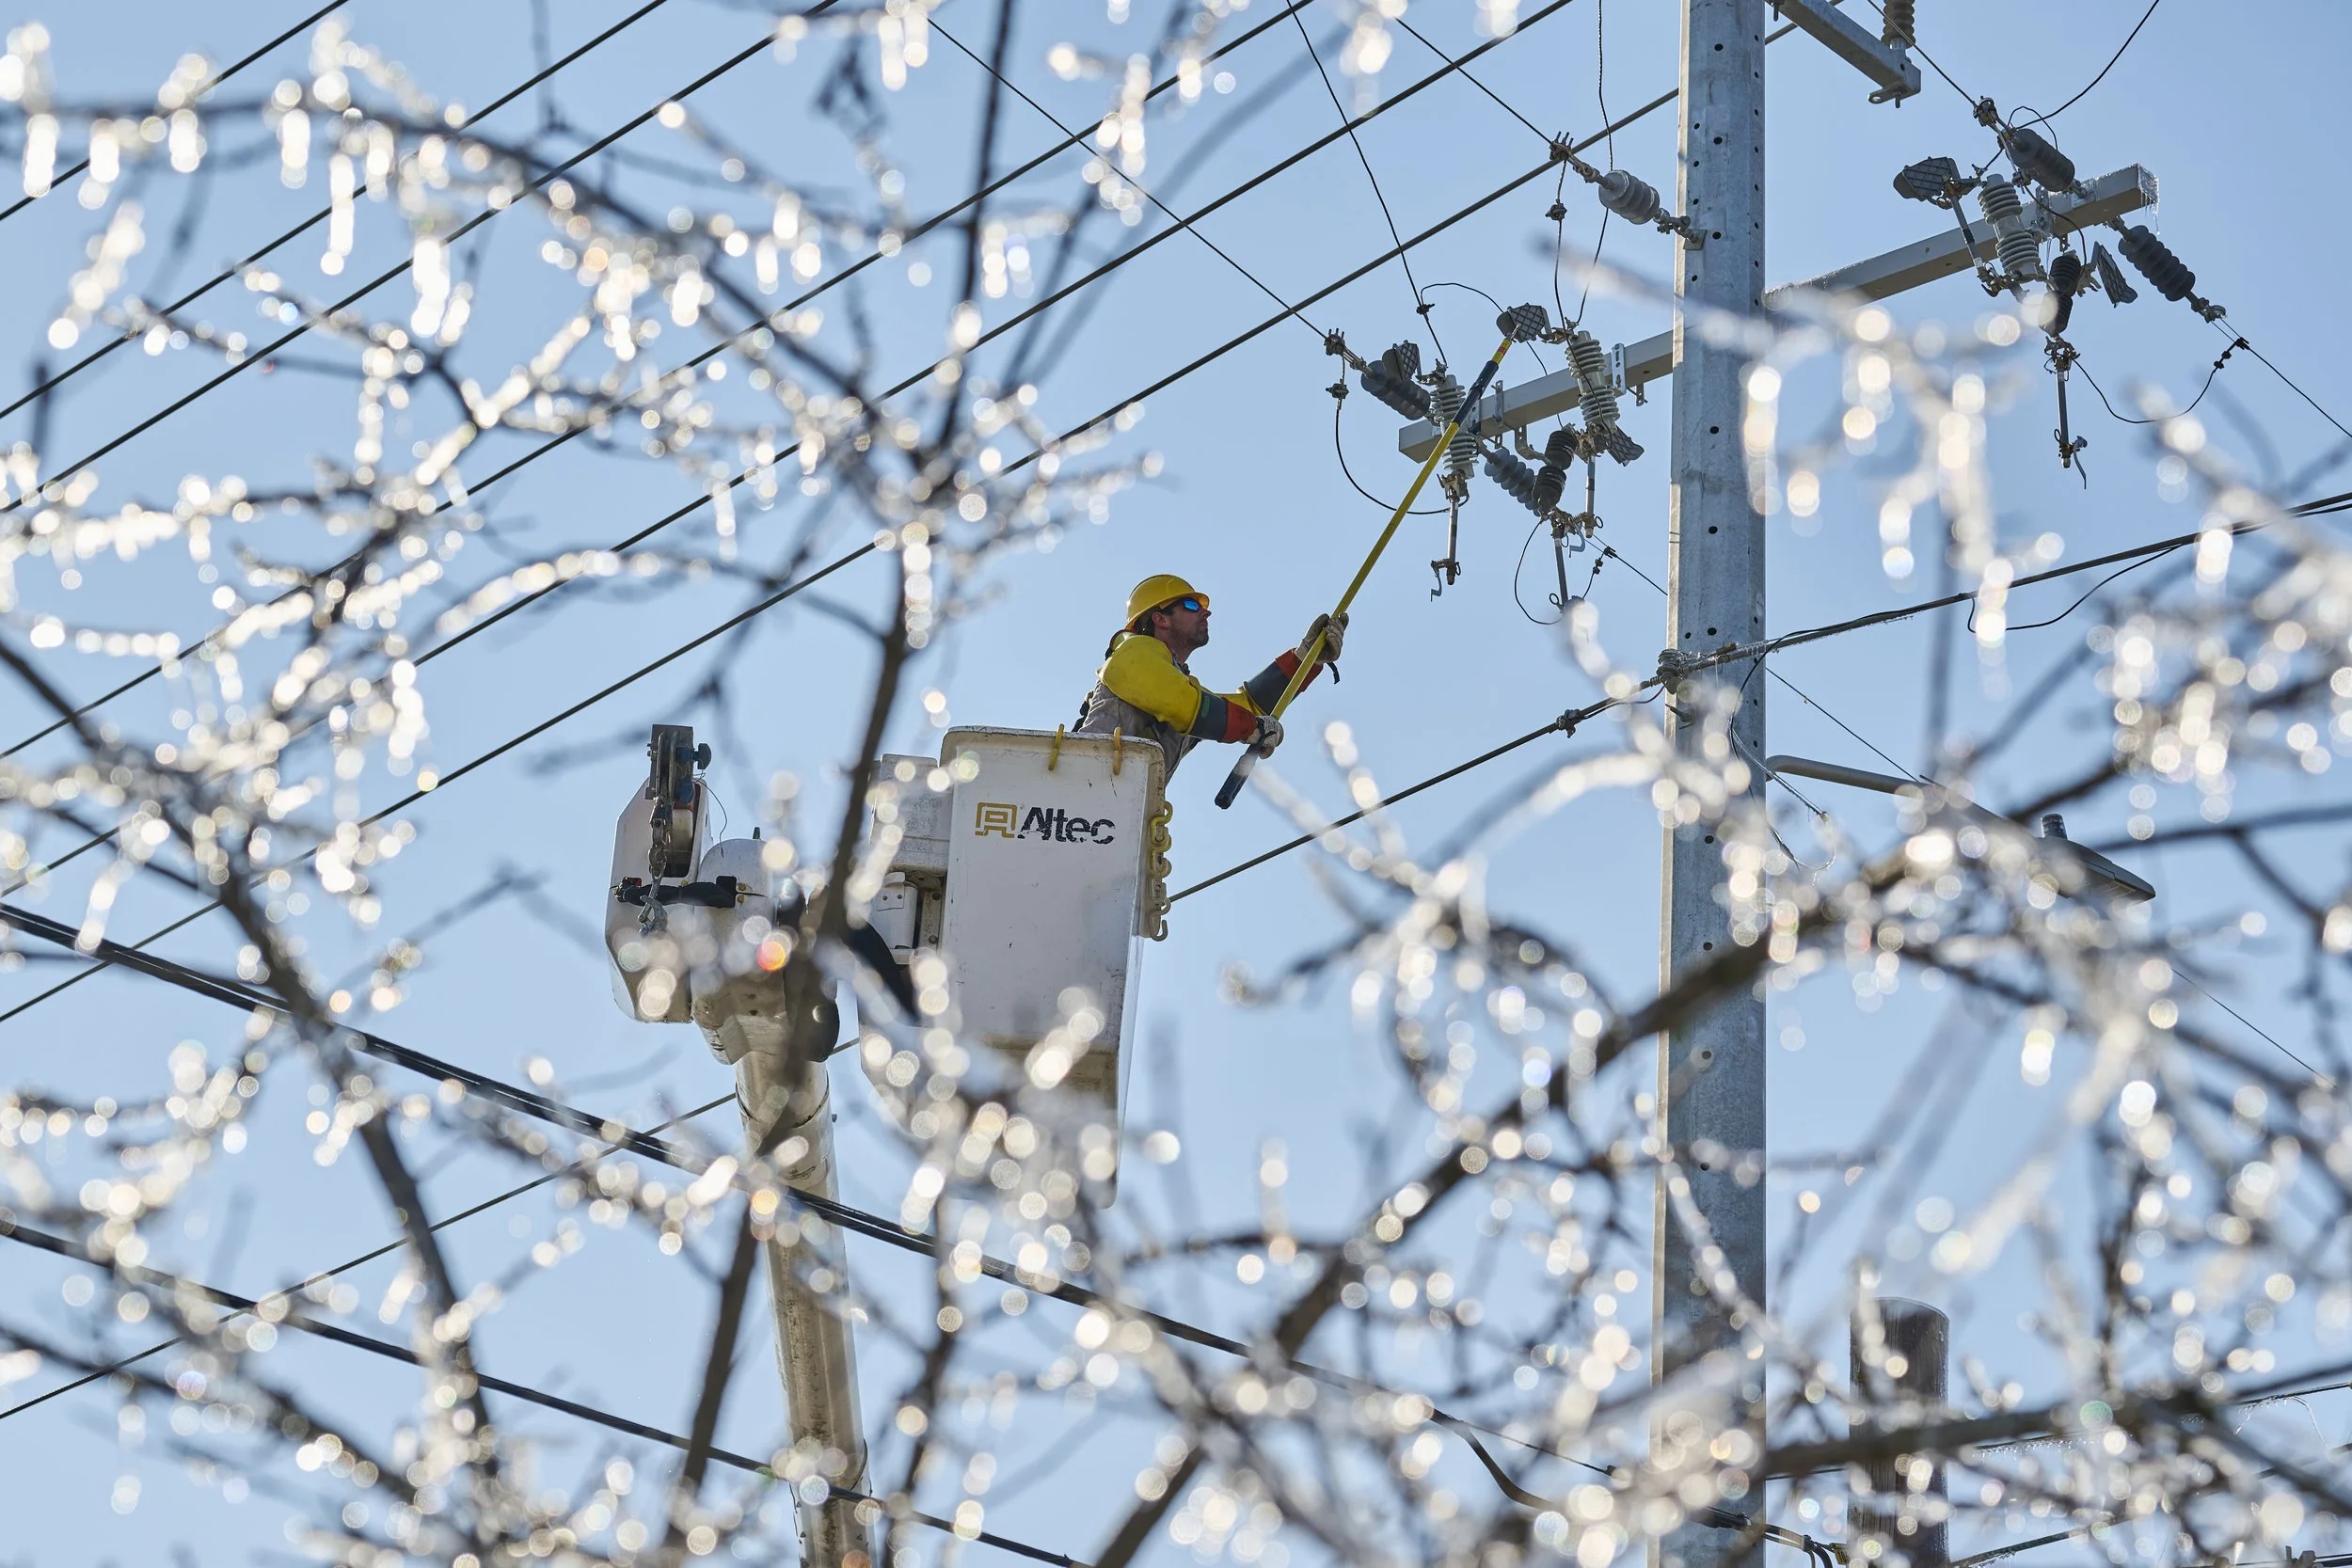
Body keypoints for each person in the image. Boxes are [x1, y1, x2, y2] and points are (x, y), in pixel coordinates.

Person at [1073, 573, 1345, 782]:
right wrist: (1252, 728)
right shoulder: (1133, 651)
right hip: (1079, 793)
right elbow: (1185, 705)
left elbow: (1245, 708)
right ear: (1160, 619)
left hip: (1112, 812)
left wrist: (1306, 658)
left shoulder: (1179, 687)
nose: (1206, 611)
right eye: (1191, 605)